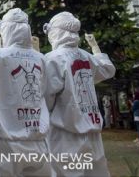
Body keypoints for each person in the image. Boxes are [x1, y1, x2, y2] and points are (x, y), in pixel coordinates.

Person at [43, 12, 116, 176]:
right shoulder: (86, 56)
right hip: (93, 133)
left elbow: (45, 99)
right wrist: (95, 47)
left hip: (65, 134)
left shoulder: (52, 59)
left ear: (55, 32)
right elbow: (107, 70)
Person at [0, 8, 51, 177]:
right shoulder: (41, 58)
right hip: (38, 139)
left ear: (6, 30)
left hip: (7, 141)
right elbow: (44, 91)